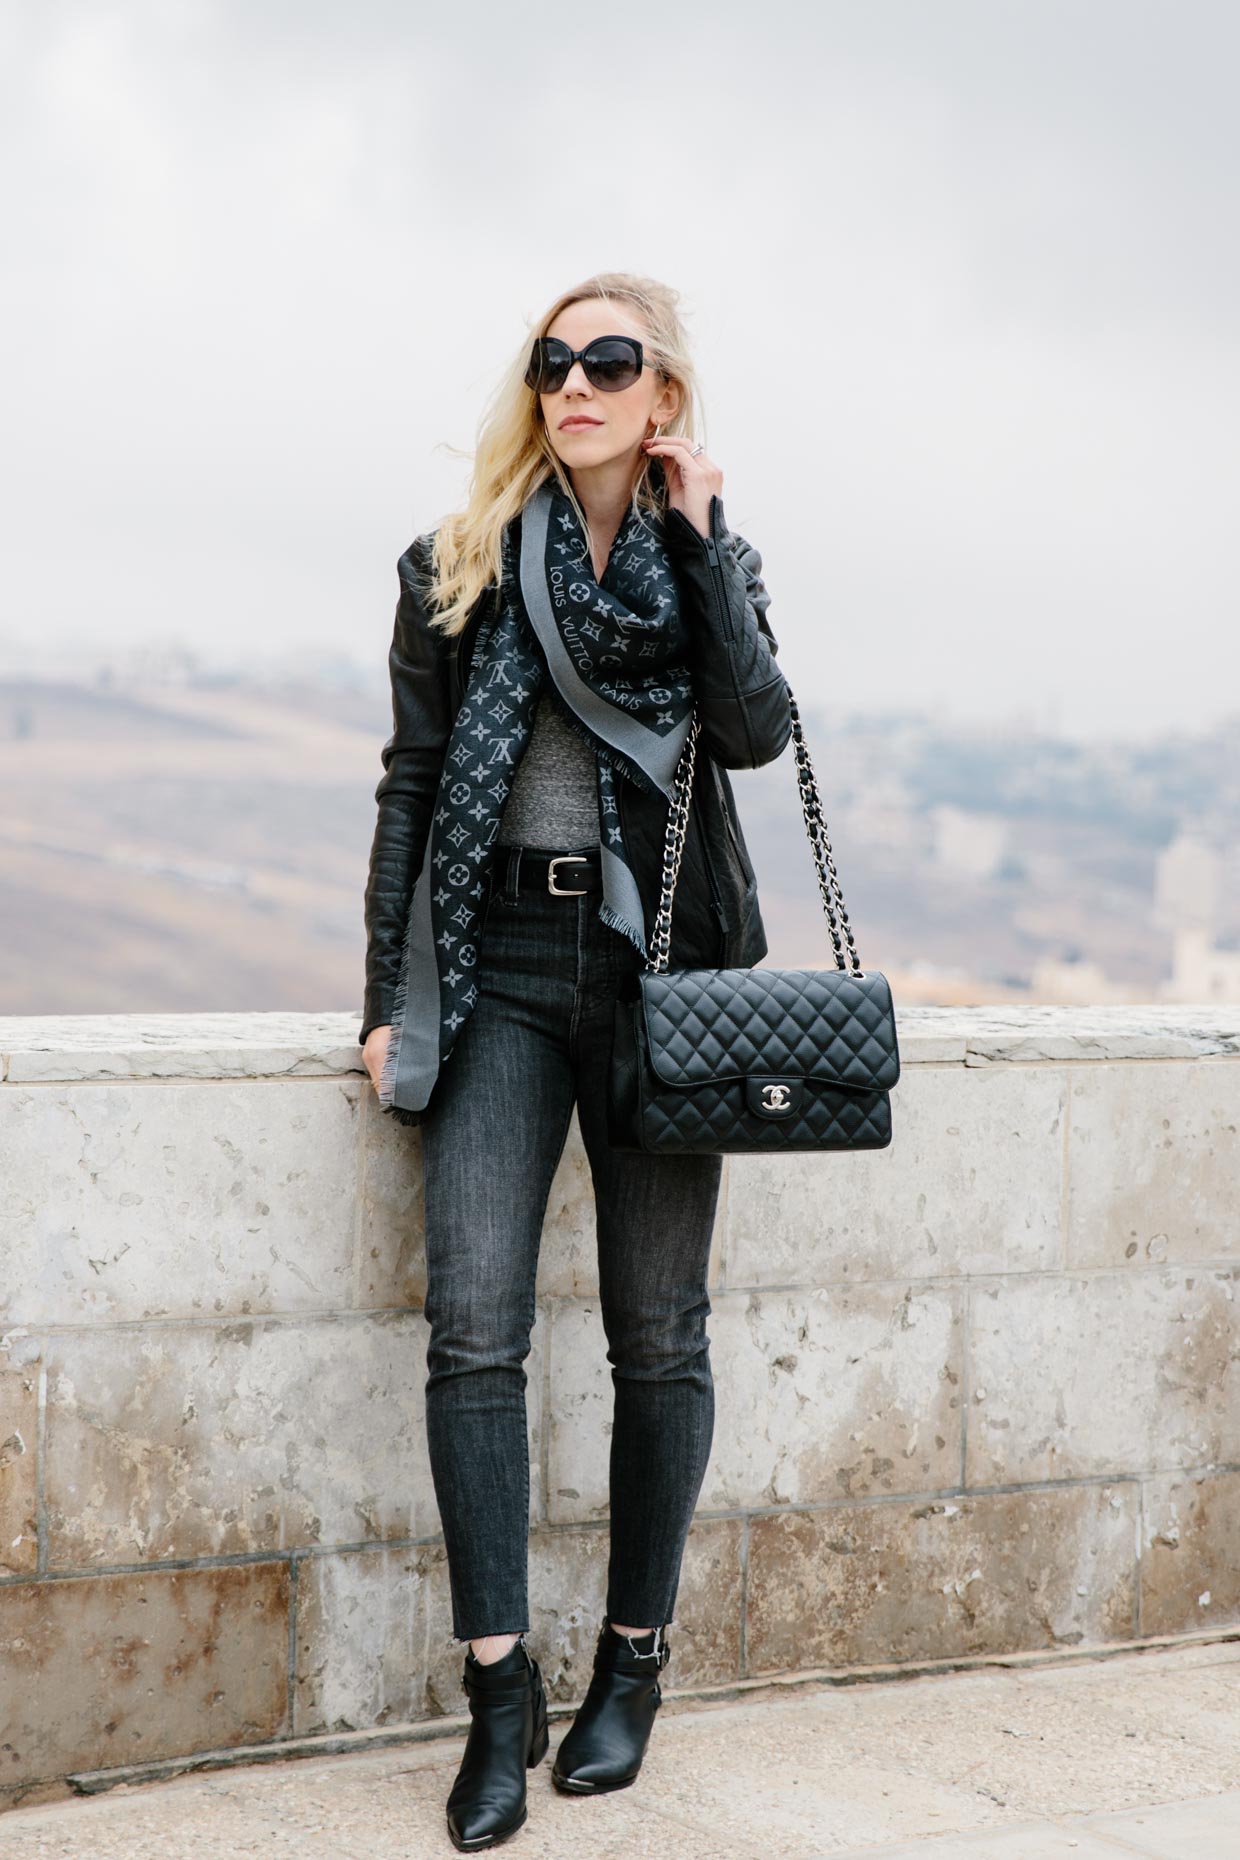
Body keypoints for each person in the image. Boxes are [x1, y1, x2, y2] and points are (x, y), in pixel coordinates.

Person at [359, 270, 791, 1851]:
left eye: (612, 361)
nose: (576, 383)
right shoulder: (455, 559)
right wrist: (382, 998)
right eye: (554, 361)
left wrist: (696, 534)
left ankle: (633, 1666)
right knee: (473, 1330)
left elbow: (753, 731)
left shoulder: (707, 565)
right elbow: (409, 787)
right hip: (500, 980)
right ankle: (496, 1700)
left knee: (657, 1337)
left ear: (664, 397)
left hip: (661, 983)